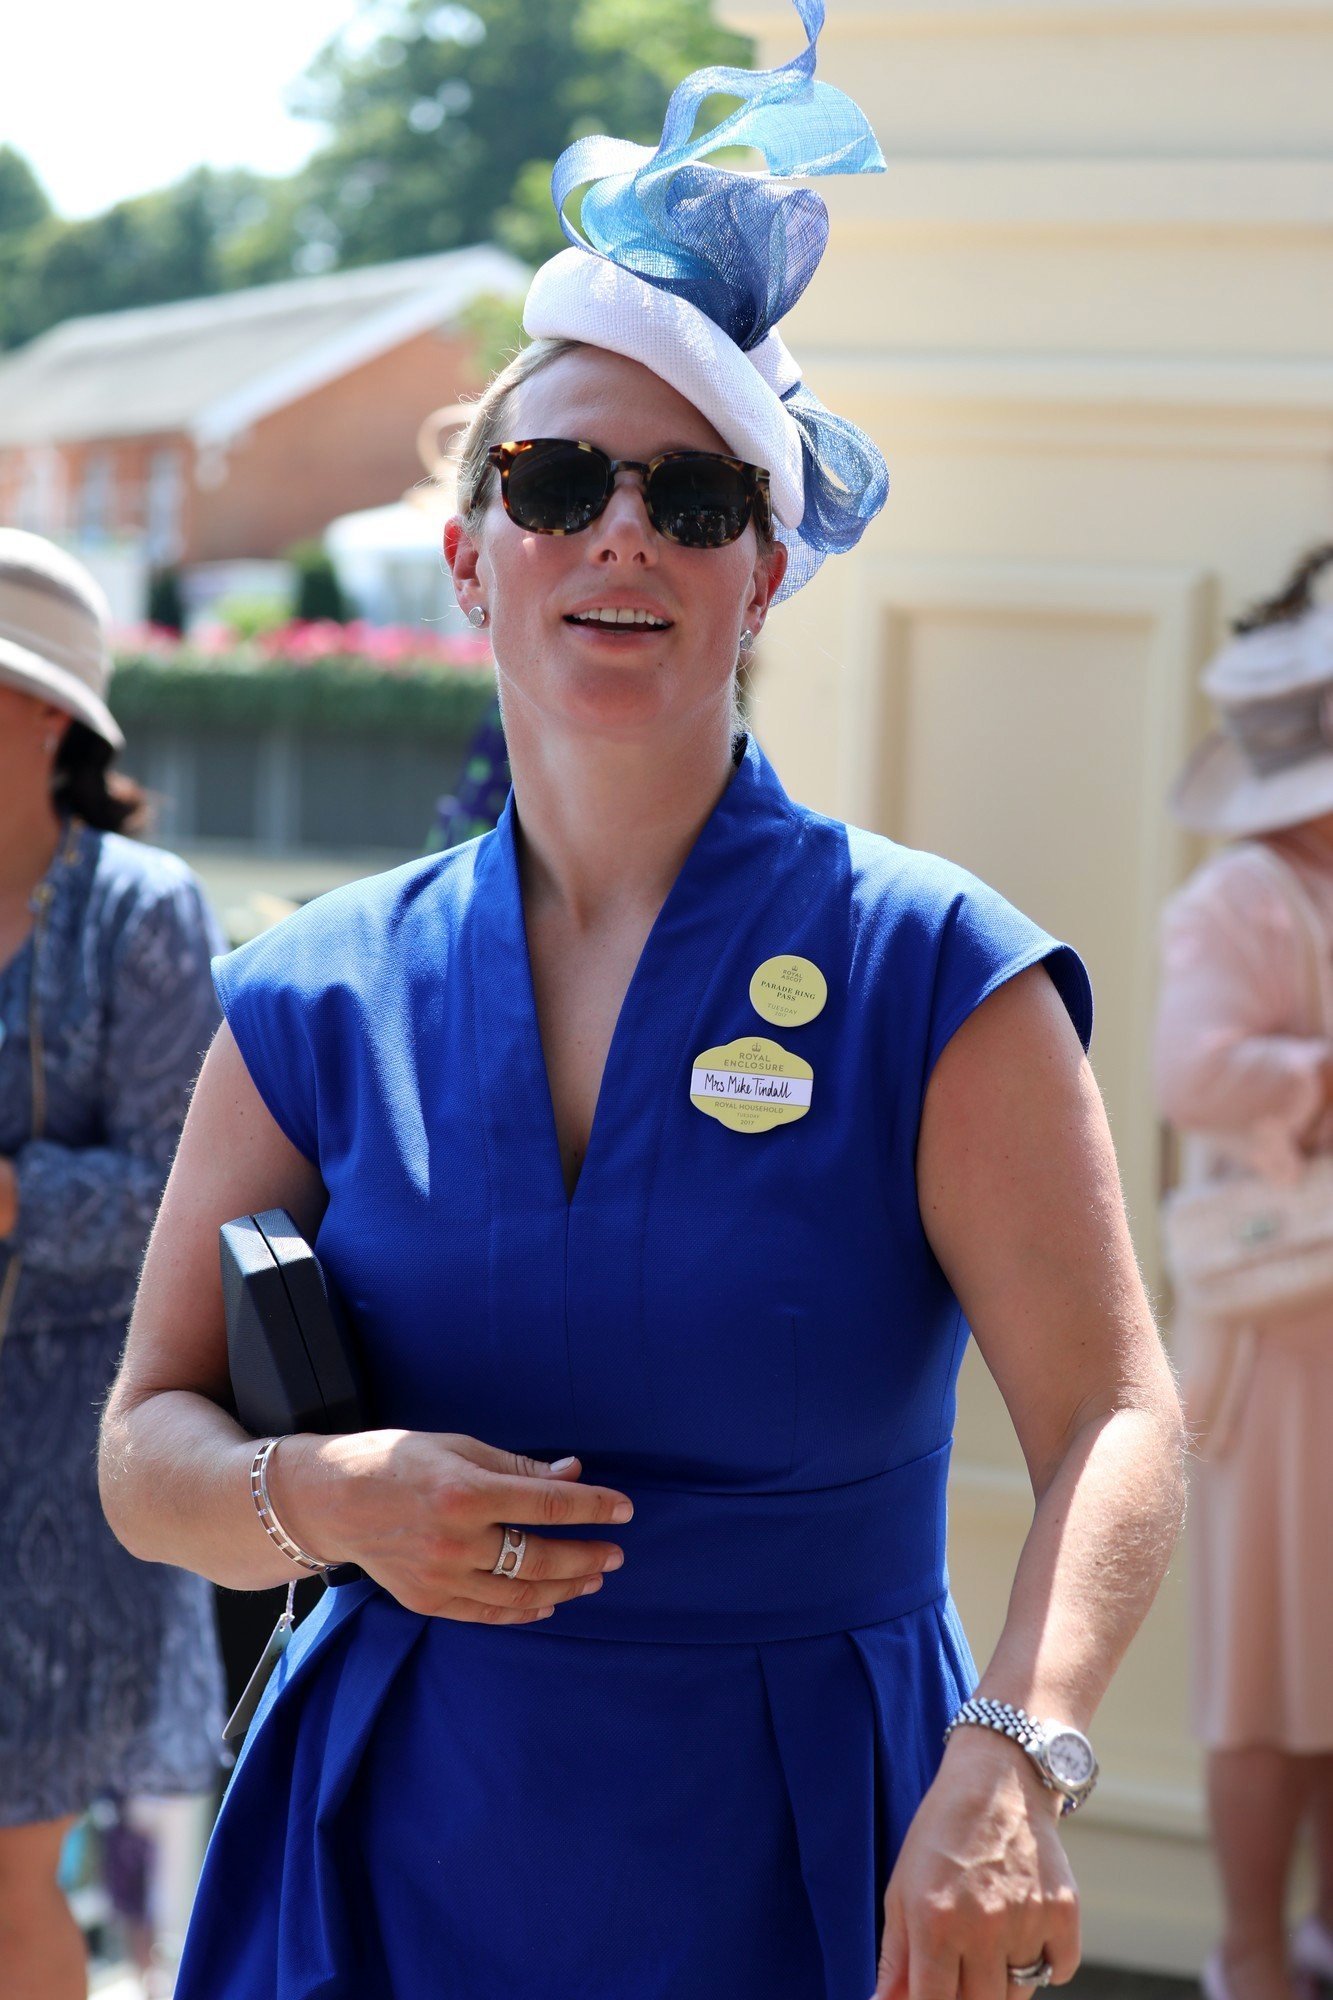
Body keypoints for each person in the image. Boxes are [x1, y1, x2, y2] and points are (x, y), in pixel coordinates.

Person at [99, 7, 1185, 1997]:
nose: (620, 527)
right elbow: (141, 1448)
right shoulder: (311, 991)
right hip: (389, 1856)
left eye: (693, 499)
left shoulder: (932, 970)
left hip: (798, 1852)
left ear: (763, 575)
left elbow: (1117, 1413)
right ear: (467, 555)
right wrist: (325, 1497)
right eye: (559, 478)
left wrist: (1017, 1756)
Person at [0, 529, 225, 1999]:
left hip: (64, 1474)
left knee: (14, 1867)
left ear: (46, 718)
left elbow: (181, 1199)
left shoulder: (141, 912)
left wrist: (13, 1204)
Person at [1155, 546, 1333, 2000]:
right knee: (1269, 1673)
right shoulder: (1246, 898)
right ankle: (1252, 1959)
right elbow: (1191, 1072)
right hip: (1285, 1348)